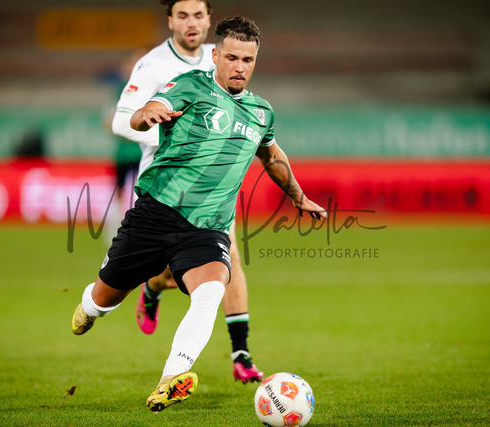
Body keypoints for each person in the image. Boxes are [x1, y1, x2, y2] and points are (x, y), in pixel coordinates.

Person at [71, 16, 327, 412]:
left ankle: (171, 378)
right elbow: (147, 110)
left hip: (208, 228)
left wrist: (299, 197)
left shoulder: (261, 112)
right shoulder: (191, 85)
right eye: (232, 58)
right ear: (216, 56)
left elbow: (272, 156)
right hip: (155, 215)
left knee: (210, 291)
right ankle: (90, 308)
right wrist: (146, 115)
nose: (240, 67)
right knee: (103, 299)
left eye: (248, 60)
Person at [111, 0, 263, 383]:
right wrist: (171, 133)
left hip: (212, 186)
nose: (191, 23)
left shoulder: (222, 58)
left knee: (230, 259)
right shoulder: (153, 65)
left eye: (198, 15)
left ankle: (241, 354)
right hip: (165, 186)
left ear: (209, 20)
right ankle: (153, 287)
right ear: (170, 21)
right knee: (167, 271)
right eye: (183, 15)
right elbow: (121, 121)